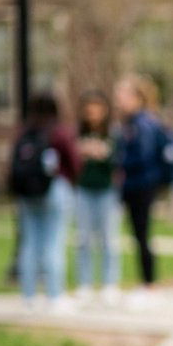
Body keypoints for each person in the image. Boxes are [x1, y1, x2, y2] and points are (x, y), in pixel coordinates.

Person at [9, 90, 80, 314]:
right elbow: (75, 163)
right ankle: (54, 296)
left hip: (27, 196)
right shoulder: (59, 132)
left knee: (30, 244)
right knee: (53, 243)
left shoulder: (24, 132)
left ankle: (28, 296)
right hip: (55, 192)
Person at [113, 73, 173, 309]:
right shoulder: (132, 122)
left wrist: (117, 162)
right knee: (139, 235)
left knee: (142, 235)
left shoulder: (142, 124)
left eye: (122, 94)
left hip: (141, 185)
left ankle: (149, 285)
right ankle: (147, 283)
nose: (118, 99)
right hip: (137, 185)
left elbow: (143, 156)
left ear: (136, 97)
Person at [74, 89, 123, 308]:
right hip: (83, 190)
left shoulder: (113, 134)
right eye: (89, 109)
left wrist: (103, 154)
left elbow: (118, 161)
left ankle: (109, 284)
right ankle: (84, 284)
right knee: (83, 239)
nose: (92, 113)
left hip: (106, 191)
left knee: (108, 239)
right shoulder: (78, 133)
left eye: (97, 108)